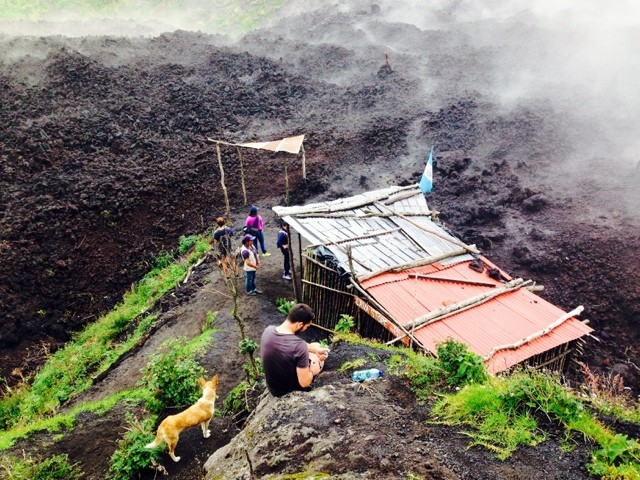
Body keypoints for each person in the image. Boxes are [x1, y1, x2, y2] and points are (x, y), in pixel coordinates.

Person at [260, 303, 330, 397]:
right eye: (307, 326)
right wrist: (313, 370)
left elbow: (293, 344)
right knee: (316, 360)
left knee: (315, 345)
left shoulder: (269, 330)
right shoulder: (299, 346)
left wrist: (315, 349)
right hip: (288, 391)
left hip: (273, 388)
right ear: (300, 324)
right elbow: (304, 383)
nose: (306, 329)